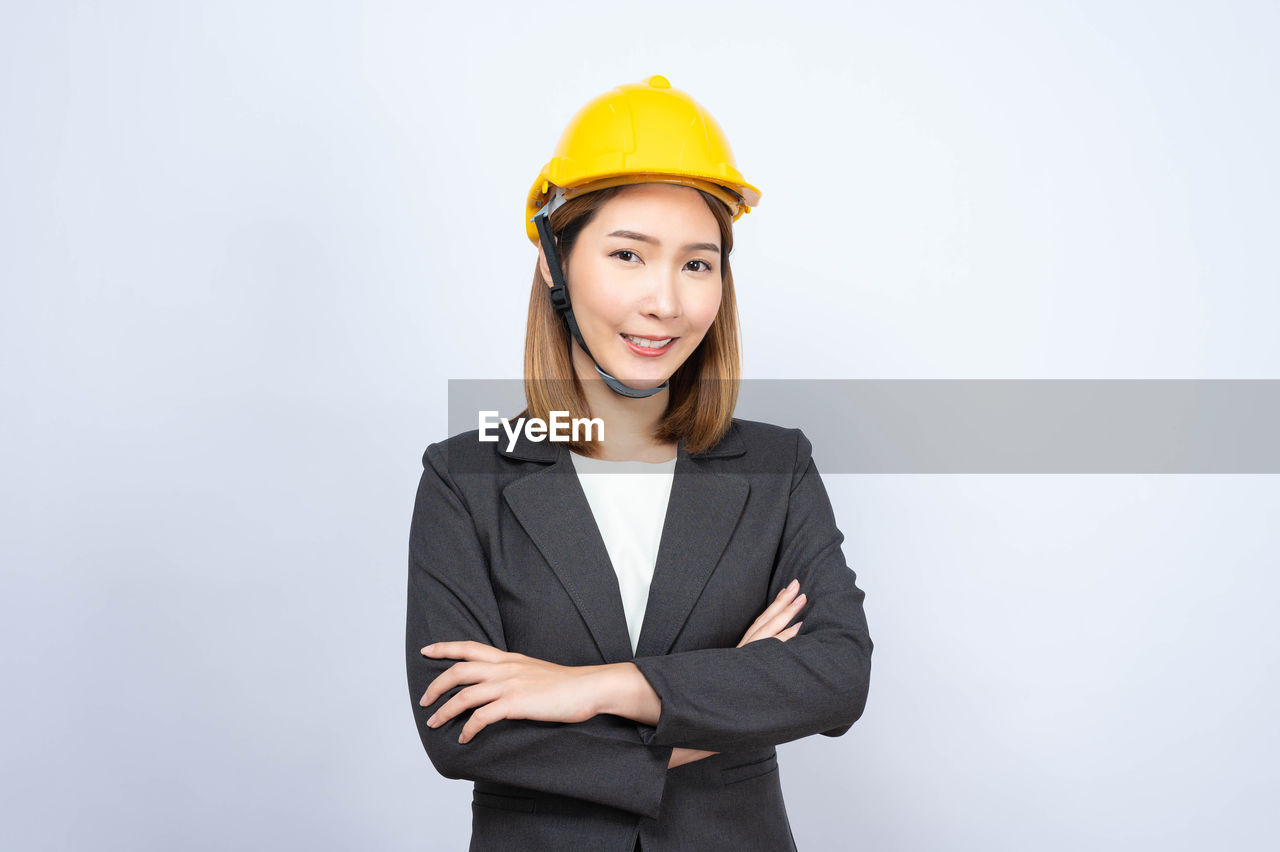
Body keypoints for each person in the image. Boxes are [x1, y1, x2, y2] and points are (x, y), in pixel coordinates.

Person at [405, 75, 873, 852]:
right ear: (556, 263)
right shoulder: (466, 476)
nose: (666, 301)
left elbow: (836, 674)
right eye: (628, 254)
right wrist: (730, 695)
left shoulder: (777, 464)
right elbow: (463, 733)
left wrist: (593, 688)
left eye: (698, 264)